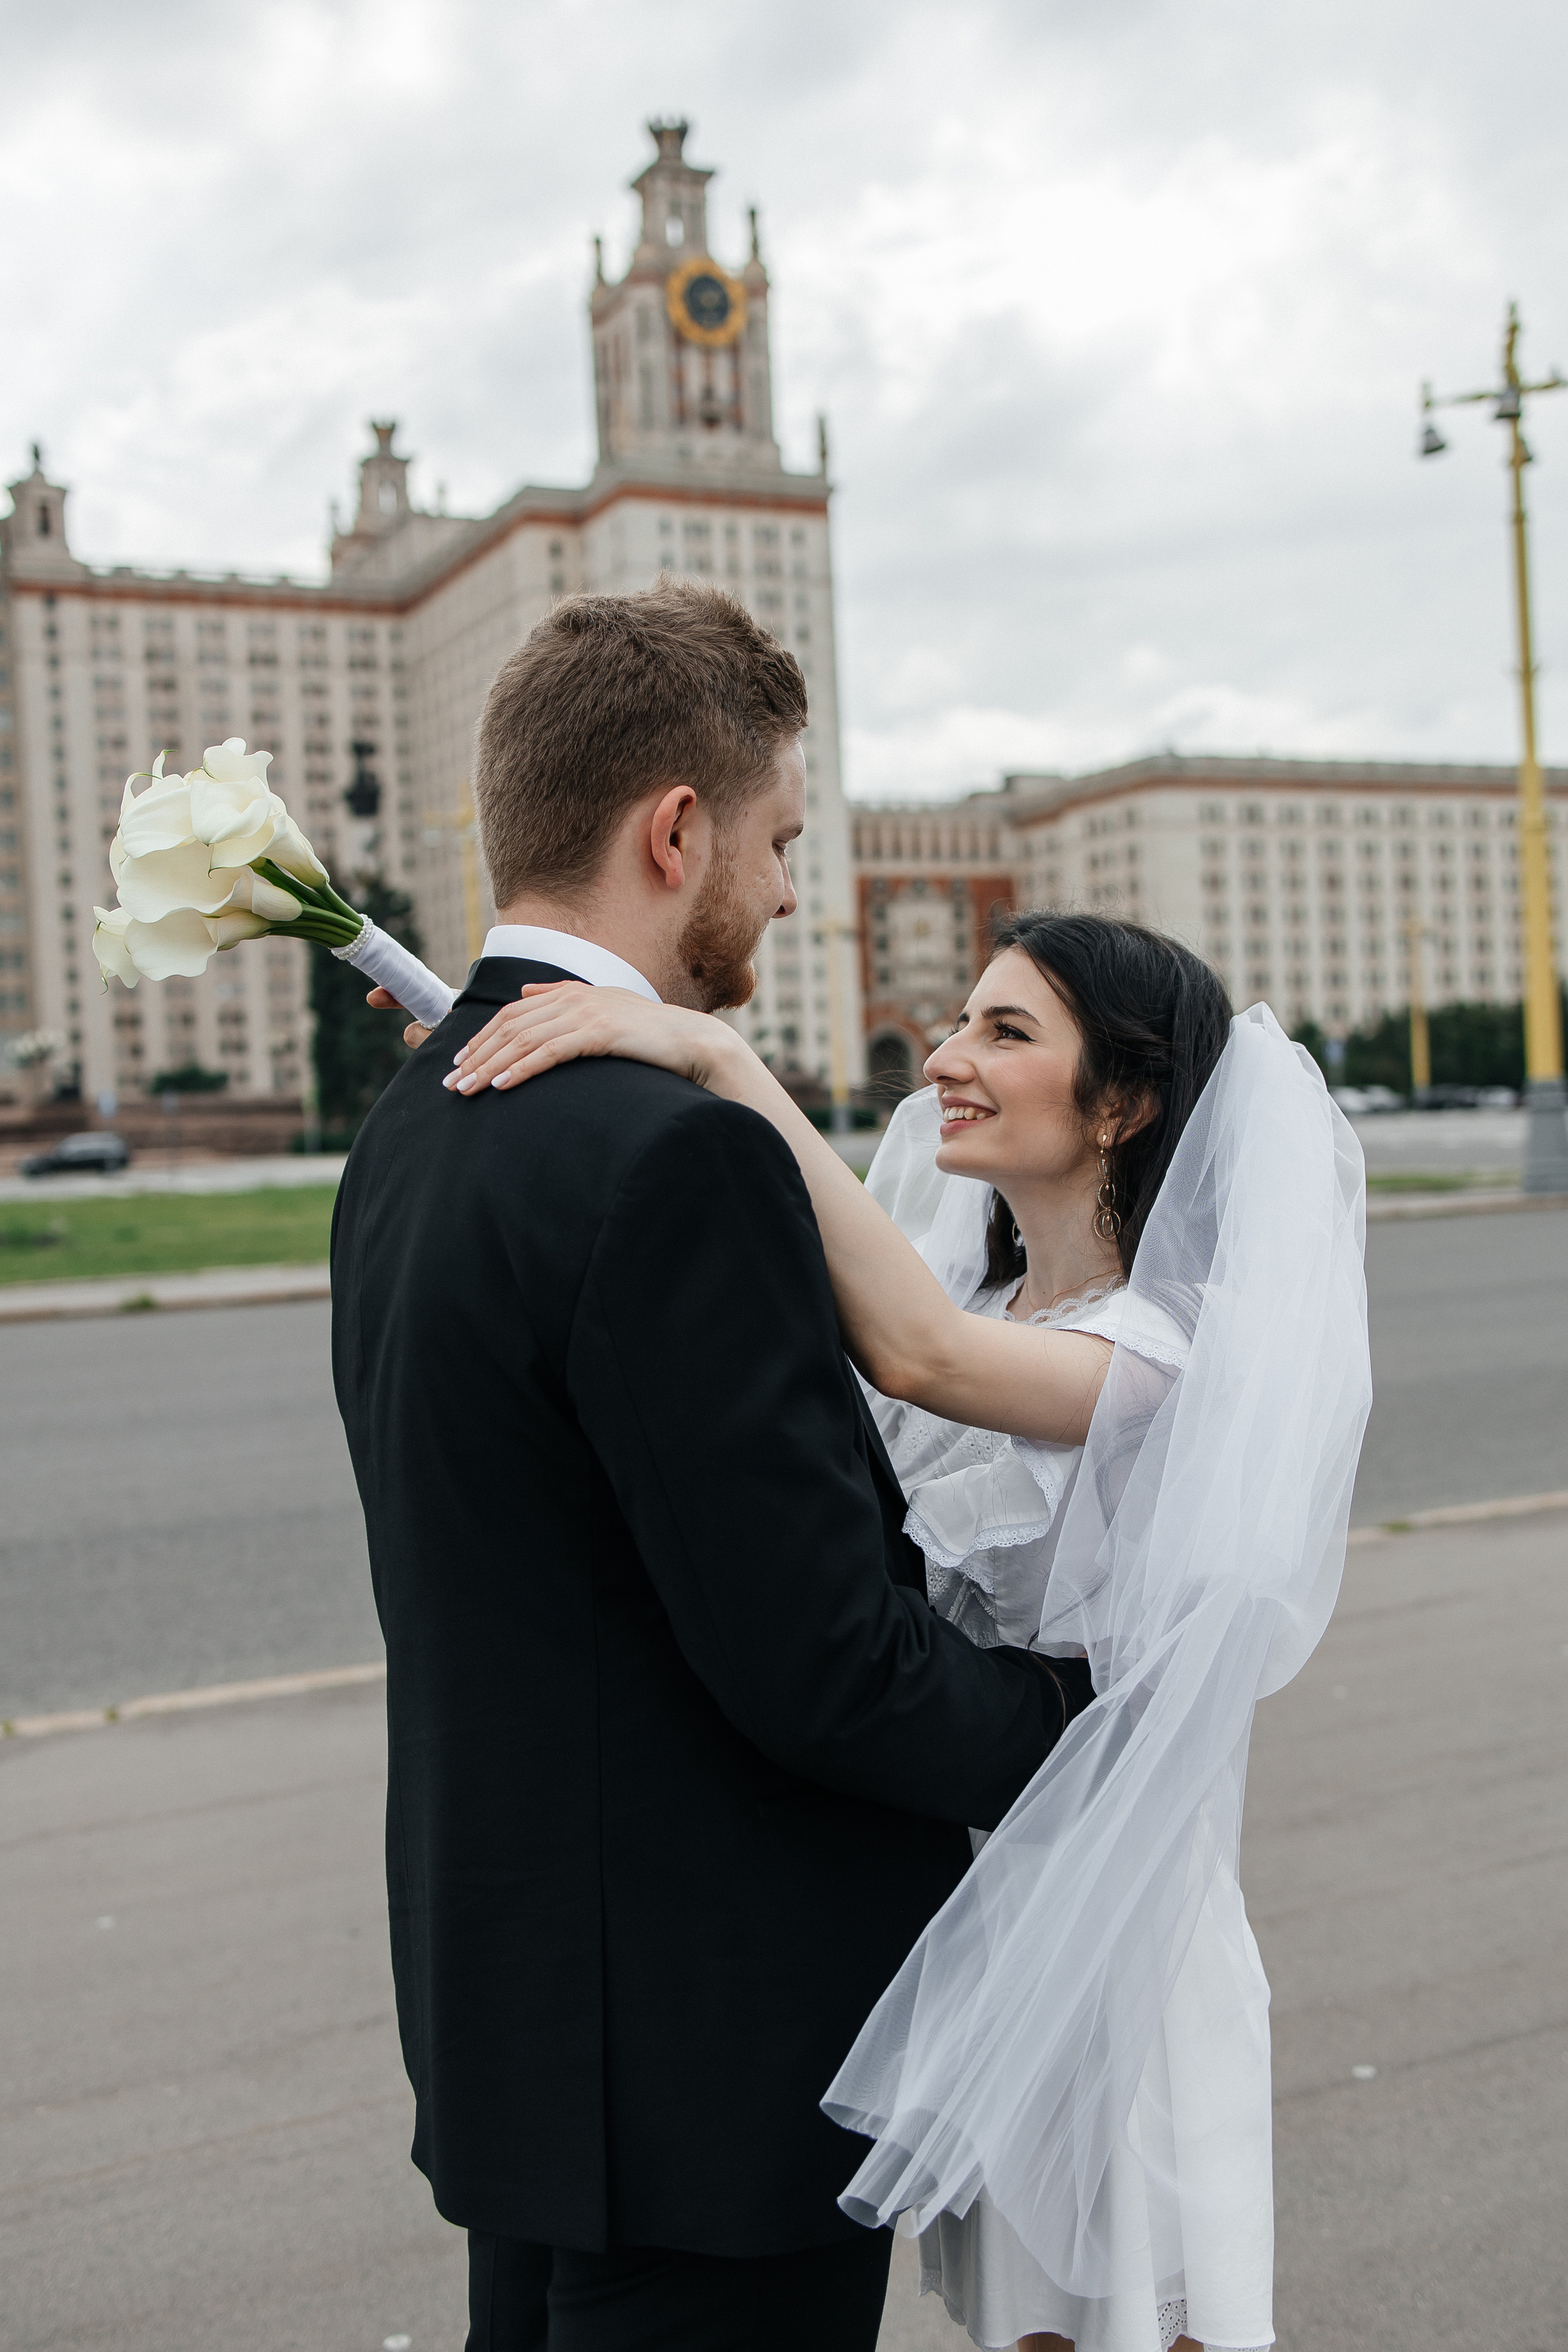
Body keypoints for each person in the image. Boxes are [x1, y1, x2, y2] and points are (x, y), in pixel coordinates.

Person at [331, 579, 1111, 2352]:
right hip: (708, 2071)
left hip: (520, 2033)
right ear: (674, 832)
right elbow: (824, 1661)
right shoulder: (671, 1163)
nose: (780, 890)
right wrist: (1086, 1718)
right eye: (774, 840)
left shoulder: (411, 1131)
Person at [435, 910, 1371, 2352]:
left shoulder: (1165, 1348)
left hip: (1117, 1927)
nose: (945, 1059)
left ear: (1120, 1103)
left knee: (1133, 2324)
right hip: (971, 1904)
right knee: (1024, 2331)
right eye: (956, 1023)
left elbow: (917, 1363)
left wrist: (706, 1051)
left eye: (1006, 1033)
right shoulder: (977, 1293)